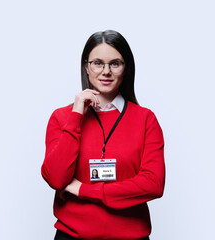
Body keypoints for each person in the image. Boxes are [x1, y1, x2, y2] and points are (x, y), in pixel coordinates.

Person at [41, 30, 165, 240]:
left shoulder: (145, 119)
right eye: (98, 63)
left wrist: (85, 190)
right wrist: (77, 113)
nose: (106, 71)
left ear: (126, 69)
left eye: (115, 63)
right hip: (72, 236)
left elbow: (153, 184)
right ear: (86, 67)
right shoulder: (62, 117)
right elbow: (55, 178)